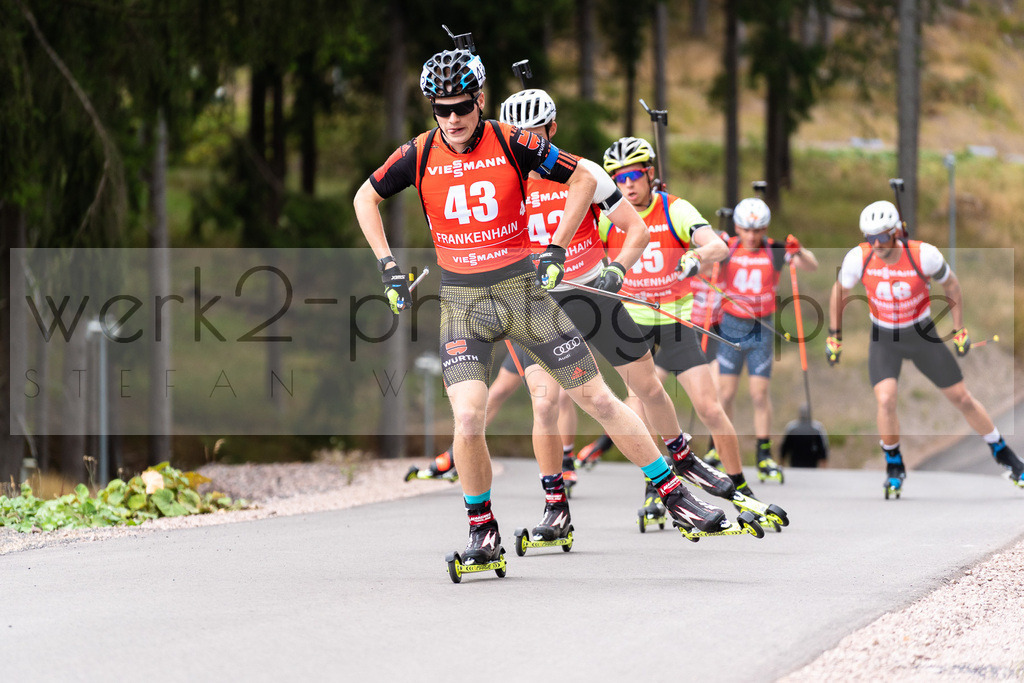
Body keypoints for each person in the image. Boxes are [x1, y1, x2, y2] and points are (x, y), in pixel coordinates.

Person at [354, 48, 728, 569]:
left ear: (480, 101)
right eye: (441, 109)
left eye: (462, 107)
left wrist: (555, 247)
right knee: (468, 418)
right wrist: (388, 268)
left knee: (597, 397)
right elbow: (363, 198)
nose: (454, 119)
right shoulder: (417, 153)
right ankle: (482, 530)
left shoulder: (513, 141)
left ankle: (673, 493)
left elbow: (584, 180)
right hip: (464, 303)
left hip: (525, 295)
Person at [496, 88, 740, 524]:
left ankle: (682, 457)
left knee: (647, 387)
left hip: (592, 293)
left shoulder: (585, 173)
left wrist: (618, 271)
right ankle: (556, 505)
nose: (526, 143)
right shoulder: (502, 183)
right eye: (517, 135)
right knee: (545, 403)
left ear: (552, 130)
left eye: (534, 133)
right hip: (537, 307)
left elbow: (637, 230)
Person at [598, 136, 777, 508]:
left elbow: (719, 246)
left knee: (709, 408)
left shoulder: (674, 208)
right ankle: (657, 483)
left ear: (650, 174)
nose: (627, 184)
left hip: (674, 320)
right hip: (631, 320)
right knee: (637, 404)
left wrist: (697, 256)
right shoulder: (607, 218)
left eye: (633, 174)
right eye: (618, 178)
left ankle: (740, 486)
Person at [826, 199, 1024, 493]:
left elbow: (952, 286)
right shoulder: (860, 257)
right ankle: (894, 463)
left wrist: (959, 329)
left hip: (921, 334)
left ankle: (1005, 455)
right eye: (870, 237)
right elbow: (839, 291)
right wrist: (834, 334)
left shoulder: (923, 255)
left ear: (895, 232)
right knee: (886, 399)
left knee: (962, 398)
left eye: (882, 236)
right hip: (884, 337)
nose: (876, 243)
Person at [714, 197, 819, 483]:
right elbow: (701, 267)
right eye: (746, 229)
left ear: (765, 228)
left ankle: (763, 454)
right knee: (725, 394)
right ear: (737, 227)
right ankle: (718, 449)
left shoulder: (774, 250)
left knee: (760, 394)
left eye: (758, 230)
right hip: (730, 326)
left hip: (761, 328)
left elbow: (810, 265)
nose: (752, 236)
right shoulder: (728, 247)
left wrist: (800, 251)